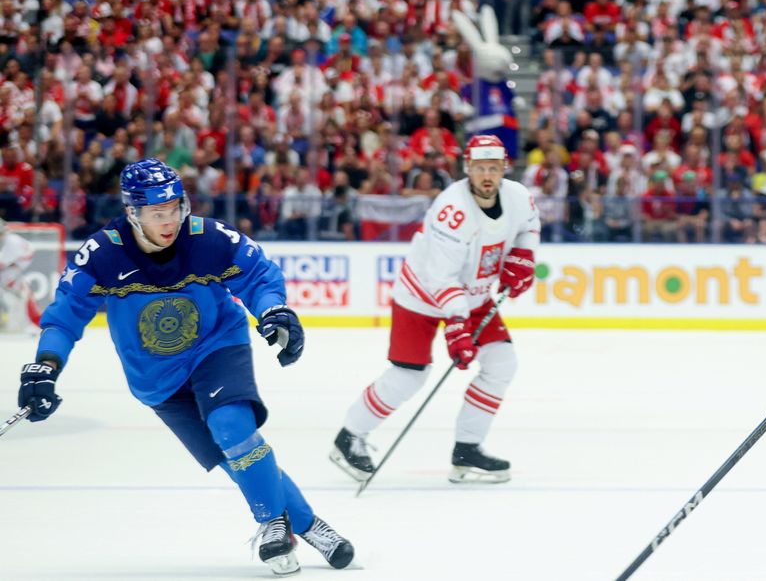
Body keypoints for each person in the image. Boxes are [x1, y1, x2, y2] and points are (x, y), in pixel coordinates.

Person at [17, 159, 354, 575]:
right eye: (157, 212)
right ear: (132, 212)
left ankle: (271, 522)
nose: (169, 220)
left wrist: (273, 310)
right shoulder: (102, 254)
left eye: (174, 207)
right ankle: (311, 525)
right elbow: (66, 314)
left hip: (216, 347)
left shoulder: (209, 238)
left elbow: (258, 276)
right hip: (155, 378)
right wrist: (46, 366)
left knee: (232, 427)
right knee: (236, 459)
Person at [331, 135, 540, 484]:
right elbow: (440, 277)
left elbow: (529, 226)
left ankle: (467, 449)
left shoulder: (518, 197)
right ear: (467, 168)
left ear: (504, 168)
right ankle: (349, 436)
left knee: (502, 363)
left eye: (493, 168)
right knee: (409, 375)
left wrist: (524, 255)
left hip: (473, 295)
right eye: (480, 168)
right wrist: (457, 327)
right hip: (421, 295)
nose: (487, 175)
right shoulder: (452, 211)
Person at [0, 218, 40, 331]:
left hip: (17, 269)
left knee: (17, 298)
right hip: (14, 268)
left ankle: (24, 325)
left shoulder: (11, 242)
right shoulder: (10, 239)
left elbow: (1, 264)